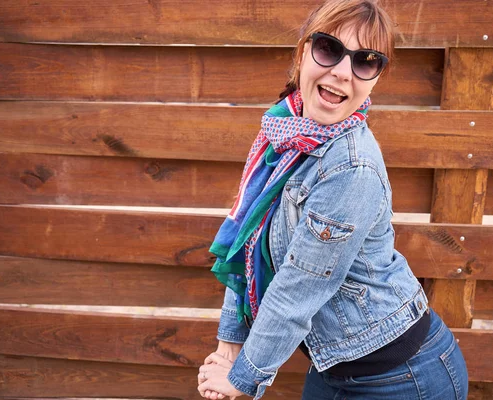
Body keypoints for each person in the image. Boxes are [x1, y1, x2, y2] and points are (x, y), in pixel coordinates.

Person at [197, 1, 469, 399]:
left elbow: (299, 286)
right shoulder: (283, 134)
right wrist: (230, 344)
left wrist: (242, 377)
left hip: (403, 379)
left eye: (366, 61)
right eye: (329, 48)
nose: (343, 72)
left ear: (376, 78)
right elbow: (248, 237)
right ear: (303, 51)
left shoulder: (351, 168)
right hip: (334, 366)